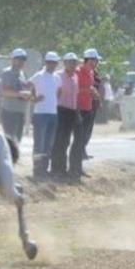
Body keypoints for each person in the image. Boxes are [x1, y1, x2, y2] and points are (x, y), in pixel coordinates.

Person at [28, 51, 61, 179]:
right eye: (49, 62)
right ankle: (37, 170)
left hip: (53, 113)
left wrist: (54, 103)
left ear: (57, 63)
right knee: (39, 143)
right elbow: (28, 87)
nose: (51, 65)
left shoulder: (57, 77)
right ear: (46, 62)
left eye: (54, 62)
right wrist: (33, 99)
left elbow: (59, 92)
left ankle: (44, 170)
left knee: (48, 144)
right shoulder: (38, 75)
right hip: (40, 113)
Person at [49, 52, 81, 180]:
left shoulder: (75, 77)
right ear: (64, 63)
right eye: (70, 62)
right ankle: (55, 168)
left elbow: (75, 95)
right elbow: (54, 93)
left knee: (66, 141)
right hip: (60, 110)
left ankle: (62, 168)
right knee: (59, 141)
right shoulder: (58, 76)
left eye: (74, 62)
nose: (73, 64)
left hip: (71, 111)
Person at [0, 48, 30, 144]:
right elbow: (4, 91)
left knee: (17, 140)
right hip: (9, 112)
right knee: (10, 142)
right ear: (13, 59)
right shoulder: (7, 73)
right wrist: (20, 94)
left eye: (23, 59)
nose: (21, 61)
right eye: (19, 59)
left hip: (20, 112)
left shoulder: (23, 74)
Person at [78, 48, 102, 158]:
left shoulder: (92, 72)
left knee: (88, 130)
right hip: (80, 106)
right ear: (87, 60)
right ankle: (79, 153)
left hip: (90, 104)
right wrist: (88, 91)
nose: (95, 63)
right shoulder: (78, 71)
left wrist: (96, 95)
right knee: (81, 131)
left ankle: (83, 151)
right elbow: (75, 89)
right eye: (93, 60)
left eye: (96, 61)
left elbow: (92, 87)